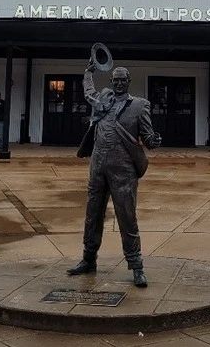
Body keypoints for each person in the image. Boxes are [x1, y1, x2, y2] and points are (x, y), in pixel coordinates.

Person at [67, 57, 161, 287]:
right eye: (115, 80)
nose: (119, 84)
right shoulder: (102, 100)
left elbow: (147, 137)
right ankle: (88, 259)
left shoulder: (140, 105)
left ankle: (136, 265)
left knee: (127, 217)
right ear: (111, 80)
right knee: (92, 214)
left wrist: (154, 140)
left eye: (123, 80)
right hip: (98, 164)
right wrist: (88, 72)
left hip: (124, 168)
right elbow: (88, 91)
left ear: (129, 82)